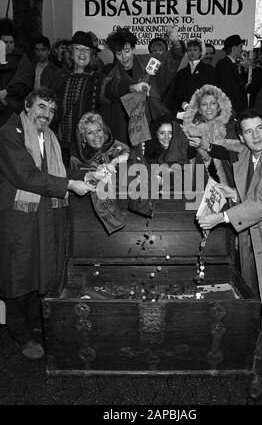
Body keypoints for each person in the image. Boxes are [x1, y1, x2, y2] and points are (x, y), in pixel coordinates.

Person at [197, 109, 262, 400]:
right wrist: (202, 144)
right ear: (241, 135)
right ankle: (251, 353)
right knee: (255, 299)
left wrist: (222, 217)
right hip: (253, 241)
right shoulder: (246, 152)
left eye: (260, 129)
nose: (256, 137)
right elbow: (227, 152)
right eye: (249, 132)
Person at [0, 87, 95, 360]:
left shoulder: (49, 137)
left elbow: (59, 173)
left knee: (40, 271)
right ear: (28, 106)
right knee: (18, 274)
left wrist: (87, 176)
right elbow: (25, 176)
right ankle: (20, 334)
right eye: (42, 107)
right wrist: (69, 184)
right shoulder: (9, 134)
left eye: (52, 110)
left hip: (44, 215)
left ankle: (34, 323)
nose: (47, 114)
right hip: (18, 216)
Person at [50, 30, 149, 166]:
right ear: (71, 53)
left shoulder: (96, 79)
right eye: (78, 49)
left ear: (92, 55)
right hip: (59, 146)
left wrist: (132, 87)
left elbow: (113, 86)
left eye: (86, 50)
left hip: (87, 150)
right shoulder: (58, 78)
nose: (82, 53)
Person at [103, 26, 185, 145]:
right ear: (115, 54)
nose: (124, 57)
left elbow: (171, 59)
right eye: (119, 53)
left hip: (155, 121)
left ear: (134, 49)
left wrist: (176, 43)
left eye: (127, 51)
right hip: (130, 130)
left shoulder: (150, 61)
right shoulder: (113, 76)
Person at [70, 112, 129, 234]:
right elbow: (88, 177)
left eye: (99, 130)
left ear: (104, 131)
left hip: (126, 206)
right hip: (88, 220)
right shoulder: (77, 158)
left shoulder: (115, 146)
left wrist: (115, 161)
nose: (96, 135)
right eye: (90, 133)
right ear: (83, 138)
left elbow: (130, 156)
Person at [182, 84, 243, 187]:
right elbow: (190, 158)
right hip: (204, 184)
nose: (208, 108)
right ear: (199, 109)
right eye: (204, 104)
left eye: (213, 103)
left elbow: (234, 155)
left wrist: (206, 146)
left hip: (230, 184)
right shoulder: (195, 129)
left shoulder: (232, 126)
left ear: (219, 107)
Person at [166, 39, 216, 115]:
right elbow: (177, 94)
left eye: (195, 50)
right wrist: (184, 105)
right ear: (186, 53)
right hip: (184, 112)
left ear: (200, 52)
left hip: (203, 111)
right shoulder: (181, 73)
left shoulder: (208, 70)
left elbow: (212, 91)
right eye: (189, 50)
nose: (192, 52)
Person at [0, 18, 34, 126]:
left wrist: (7, 92)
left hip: (14, 110)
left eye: (11, 42)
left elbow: (25, 82)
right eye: (5, 42)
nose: (8, 45)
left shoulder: (22, 59)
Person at [215, 34, 248, 117]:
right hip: (232, 112)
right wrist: (234, 111)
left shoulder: (233, 64)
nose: (242, 50)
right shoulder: (223, 64)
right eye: (240, 47)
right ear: (234, 48)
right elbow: (226, 89)